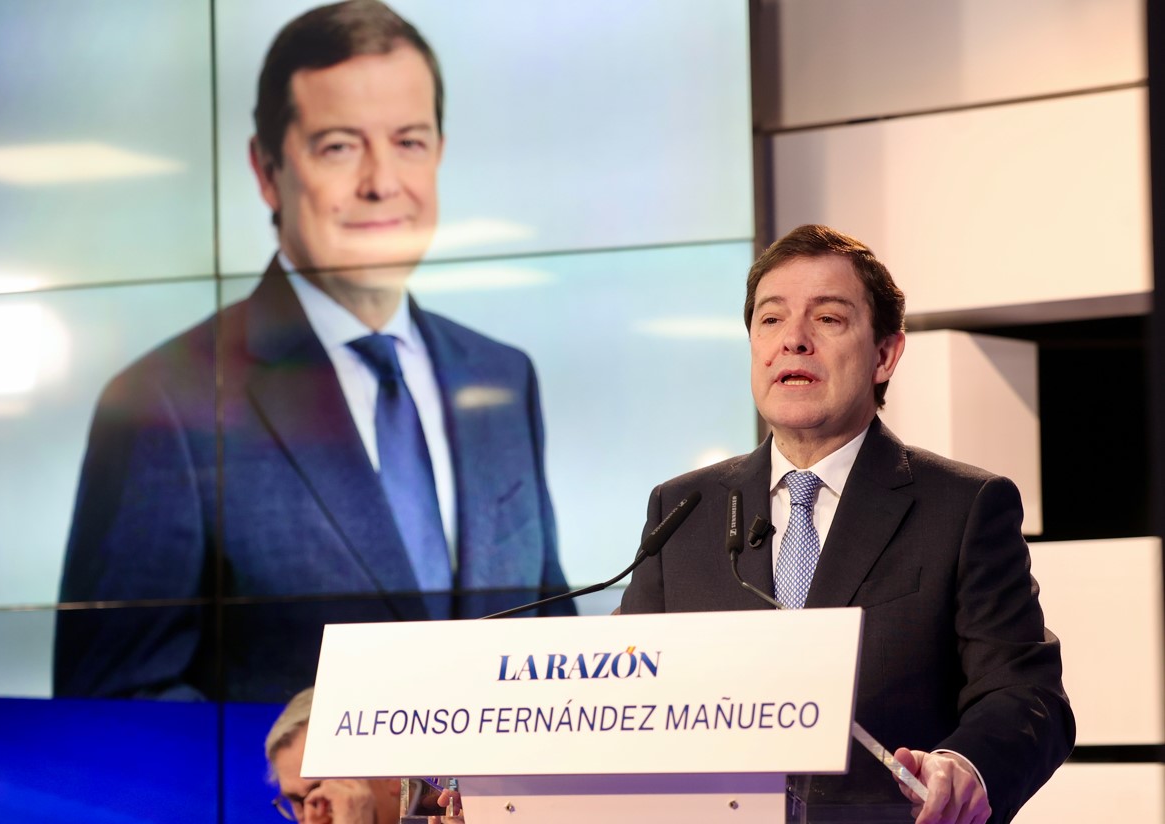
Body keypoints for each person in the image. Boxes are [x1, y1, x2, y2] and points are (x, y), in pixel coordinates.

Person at [54, 0, 569, 703]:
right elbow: (116, 705)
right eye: (339, 146)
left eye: (409, 142)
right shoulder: (163, 403)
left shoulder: (502, 379)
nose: (382, 182)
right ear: (267, 170)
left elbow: (551, 641)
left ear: (439, 153)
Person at [619, 224, 1074, 824]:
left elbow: (1026, 693)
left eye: (828, 318)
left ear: (884, 355)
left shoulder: (963, 507)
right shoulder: (682, 510)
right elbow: (626, 689)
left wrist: (966, 766)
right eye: (771, 319)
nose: (793, 341)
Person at [267, 687, 463, 823]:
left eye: (322, 794)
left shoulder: (463, 808)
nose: (312, 819)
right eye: (296, 802)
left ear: (390, 774)